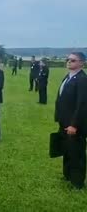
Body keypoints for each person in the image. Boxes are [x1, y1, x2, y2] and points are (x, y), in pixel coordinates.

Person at [55, 52, 87, 189]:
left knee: (76, 152)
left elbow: (82, 104)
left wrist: (74, 125)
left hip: (74, 125)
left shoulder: (82, 80)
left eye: (73, 60)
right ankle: (67, 174)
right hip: (64, 122)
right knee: (67, 150)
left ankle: (77, 181)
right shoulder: (68, 77)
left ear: (82, 63)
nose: (69, 62)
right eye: (68, 59)